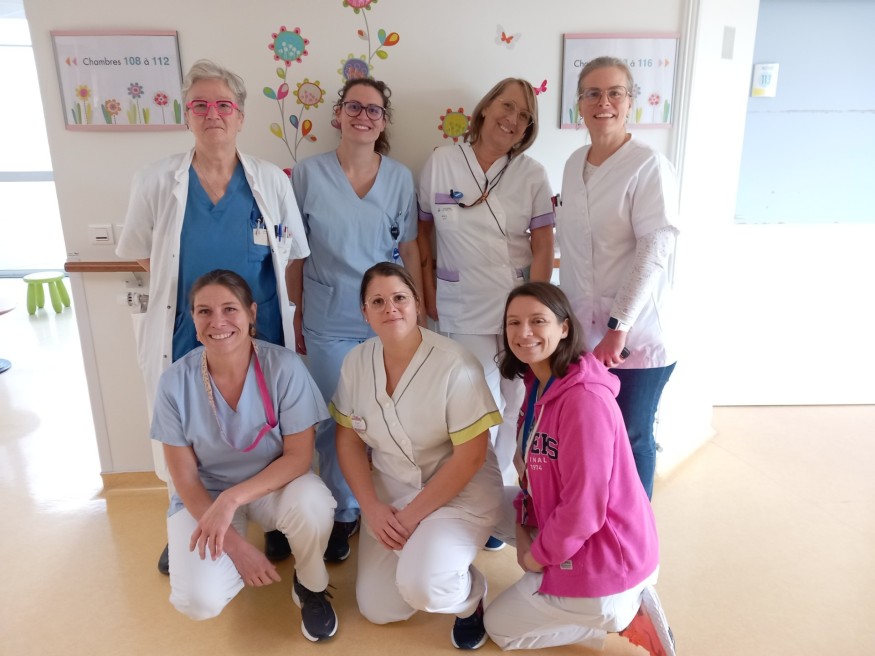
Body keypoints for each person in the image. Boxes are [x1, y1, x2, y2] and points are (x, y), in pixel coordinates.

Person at [115, 59, 305, 572]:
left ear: (240, 116)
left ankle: (275, 521)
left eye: (223, 104)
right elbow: (142, 251)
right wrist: (192, 301)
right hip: (187, 330)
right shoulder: (157, 180)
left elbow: (291, 255)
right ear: (186, 115)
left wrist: (293, 319)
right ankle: (185, 516)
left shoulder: (270, 180)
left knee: (267, 424)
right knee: (185, 427)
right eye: (199, 105)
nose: (212, 113)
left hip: (262, 330)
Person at [482, 282, 675, 655]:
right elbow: (533, 476)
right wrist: (524, 527)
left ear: (564, 328)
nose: (523, 332)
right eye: (513, 322)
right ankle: (602, 609)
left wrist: (536, 556)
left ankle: (622, 615)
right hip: (579, 531)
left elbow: (583, 510)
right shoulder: (539, 383)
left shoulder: (584, 400)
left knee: (500, 627)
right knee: (483, 502)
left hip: (609, 559)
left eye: (538, 321)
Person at [150, 269, 337, 641]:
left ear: (251, 313)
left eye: (229, 309)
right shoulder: (174, 382)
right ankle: (229, 559)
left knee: (313, 504)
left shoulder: (283, 367)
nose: (217, 321)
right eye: (204, 311)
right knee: (198, 602)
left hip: (276, 487)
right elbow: (184, 478)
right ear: (193, 320)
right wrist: (237, 549)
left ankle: (310, 584)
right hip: (207, 497)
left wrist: (232, 499)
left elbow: (299, 457)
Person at [331, 262, 503, 650]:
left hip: (457, 493)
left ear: (417, 304)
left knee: (424, 586)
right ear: (364, 312)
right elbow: (348, 441)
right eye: (377, 301)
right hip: (390, 496)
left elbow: (471, 457)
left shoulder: (454, 363)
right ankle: (435, 556)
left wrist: (411, 518)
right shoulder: (356, 363)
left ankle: (470, 600)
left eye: (399, 298)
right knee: (379, 607)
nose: (390, 307)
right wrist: (370, 507)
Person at [289, 79, 423, 562]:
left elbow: (409, 247)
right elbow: (296, 252)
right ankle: (343, 512)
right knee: (335, 420)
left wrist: (416, 310)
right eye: (354, 107)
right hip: (327, 317)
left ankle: (392, 507)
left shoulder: (400, 178)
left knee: (390, 418)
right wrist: (296, 310)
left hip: (388, 318)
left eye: (373, 110)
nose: (363, 116)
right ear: (338, 114)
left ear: (384, 122)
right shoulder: (307, 174)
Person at [418, 79, 555, 547]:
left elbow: (543, 246)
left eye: (525, 115)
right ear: (485, 108)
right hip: (460, 304)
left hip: (517, 308)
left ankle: (500, 500)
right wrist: (425, 290)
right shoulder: (441, 162)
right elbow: (422, 234)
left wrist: (537, 306)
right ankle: (471, 496)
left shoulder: (531, 173)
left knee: (517, 404)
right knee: (473, 407)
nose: (513, 119)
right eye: (507, 106)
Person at [556, 56, 680, 498]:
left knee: (632, 435)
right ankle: (598, 523)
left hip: (636, 336)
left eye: (614, 93)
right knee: (592, 436)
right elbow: (576, 246)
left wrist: (618, 327)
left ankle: (635, 532)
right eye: (592, 93)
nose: (603, 102)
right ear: (579, 103)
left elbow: (653, 250)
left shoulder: (648, 165)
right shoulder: (574, 164)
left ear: (631, 103)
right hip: (584, 334)